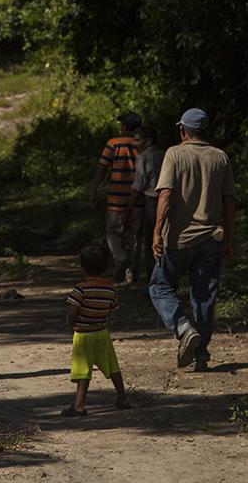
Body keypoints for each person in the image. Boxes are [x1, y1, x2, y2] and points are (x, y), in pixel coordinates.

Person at [148, 107, 236, 371]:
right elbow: (229, 201)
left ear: (183, 130)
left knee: (159, 286)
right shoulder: (221, 157)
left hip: (178, 239)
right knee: (204, 296)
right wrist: (229, 237)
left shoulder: (175, 154)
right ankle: (201, 355)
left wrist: (157, 231)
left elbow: (165, 195)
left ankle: (184, 328)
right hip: (212, 237)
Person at [62, 244, 130, 416]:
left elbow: (72, 310)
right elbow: (112, 308)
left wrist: (71, 324)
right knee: (113, 367)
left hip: (83, 335)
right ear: (107, 266)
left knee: (84, 370)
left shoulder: (80, 289)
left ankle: (79, 405)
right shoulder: (109, 289)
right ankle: (122, 398)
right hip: (102, 333)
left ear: (82, 267)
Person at [88, 110, 141, 283]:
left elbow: (102, 167)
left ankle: (120, 257)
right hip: (138, 198)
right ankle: (132, 273)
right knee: (134, 236)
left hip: (116, 200)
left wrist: (94, 190)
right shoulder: (141, 144)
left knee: (113, 233)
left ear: (124, 126)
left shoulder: (113, 143)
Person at [123, 124, 164, 283]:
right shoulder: (164, 154)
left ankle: (153, 280)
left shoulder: (143, 158)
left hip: (152, 201)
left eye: (138, 140)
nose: (134, 143)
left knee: (151, 241)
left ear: (148, 141)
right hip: (168, 202)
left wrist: (128, 209)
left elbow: (138, 186)